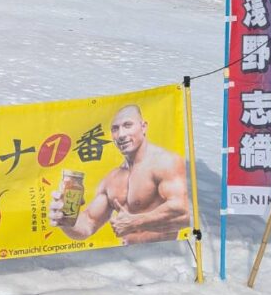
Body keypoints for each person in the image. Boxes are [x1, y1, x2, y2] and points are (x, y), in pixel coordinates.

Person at [48, 104, 189, 245]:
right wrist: (65, 220)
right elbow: (88, 224)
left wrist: (136, 222)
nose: (121, 135)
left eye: (127, 125)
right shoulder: (112, 179)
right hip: (128, 256)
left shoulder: (165, 162)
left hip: (163, 254)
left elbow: (184, 213)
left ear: (143, 127)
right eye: (115, 129)